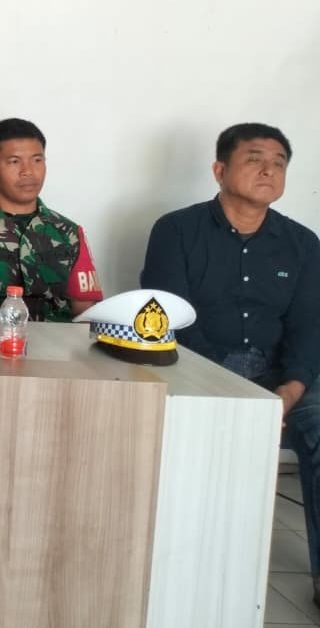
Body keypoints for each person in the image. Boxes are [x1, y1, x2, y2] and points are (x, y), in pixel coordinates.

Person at [140, 122, 320, 604]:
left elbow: (309, 327)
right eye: (255, 159)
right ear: (220, 170)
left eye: (279, 163)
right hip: (198, 368)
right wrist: (225, 385)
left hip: (279, 378)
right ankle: (167, 565)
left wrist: (290, 389)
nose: (268, 170)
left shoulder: (303, 244)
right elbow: (167, 313)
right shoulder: (176, 230)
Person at [0, 117, 102, 320]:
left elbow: (87, 317)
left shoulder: (70, 233)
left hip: (59, 340)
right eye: (14, 161)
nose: (28, 171)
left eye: (37, 160)